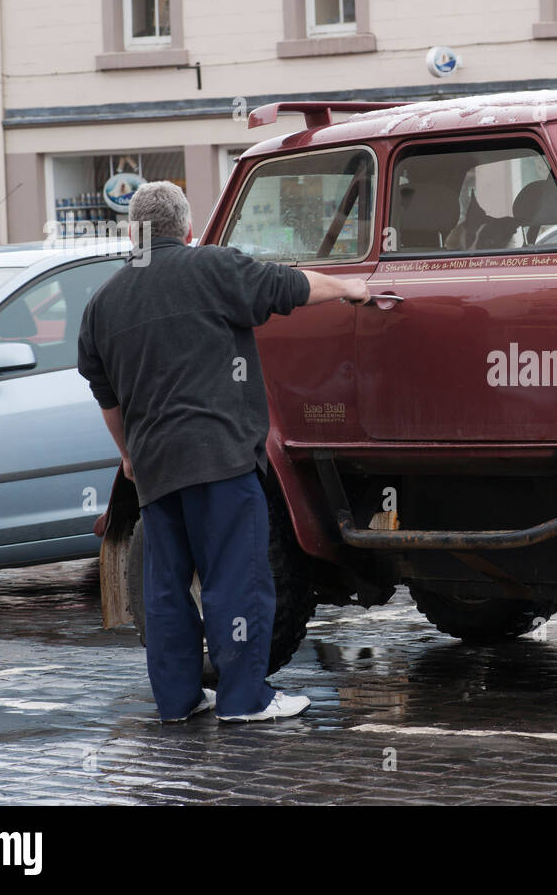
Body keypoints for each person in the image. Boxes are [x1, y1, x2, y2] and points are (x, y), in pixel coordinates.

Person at [77, 181, 369, 723]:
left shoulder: (102, 304)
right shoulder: (212, 268)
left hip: (156, 471)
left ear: (131, 232)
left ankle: (179, 701)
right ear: (187, 229)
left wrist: (129, 455)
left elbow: (108, 401)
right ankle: (243, 699)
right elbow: (289, 288)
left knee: (166, 590)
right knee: (236, 579)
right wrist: (348, 287)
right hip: (220, 459)